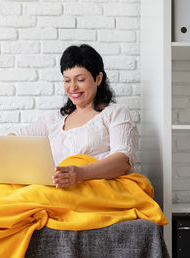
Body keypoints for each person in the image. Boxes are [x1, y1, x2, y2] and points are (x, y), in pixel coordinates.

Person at [9, 44, 138, 189]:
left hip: (96, 190)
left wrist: (80, 173)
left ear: (98, 78)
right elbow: (15, 138)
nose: (72, 87)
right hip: (58, 189)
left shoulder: (116, 113)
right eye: (67, 80)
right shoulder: (55, 120)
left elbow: (123, 161)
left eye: (80, 80)